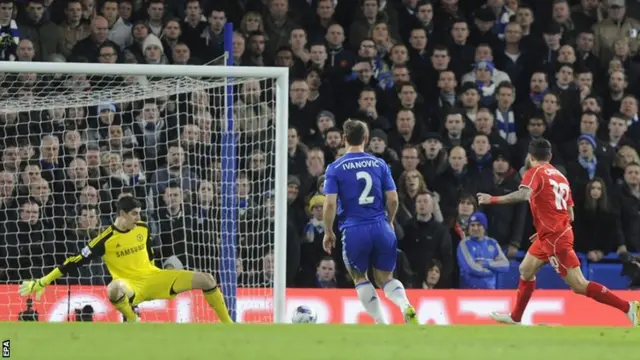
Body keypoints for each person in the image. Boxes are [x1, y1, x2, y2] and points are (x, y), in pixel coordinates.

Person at [477, 138, 639, 325]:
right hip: (553, 233)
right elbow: (570, 214)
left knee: (579, 285)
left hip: (555, 238)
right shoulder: (560, 176)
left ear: (530, 156)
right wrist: (544, 229)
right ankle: (515, 317)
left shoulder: (534, 171)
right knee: (525, 269)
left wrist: (492, 200)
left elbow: (524, 194)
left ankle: (628, 307)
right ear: (550, 156)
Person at [18, 197, 233, 323]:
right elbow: (73, 262)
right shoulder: (105, 239)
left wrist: (164, 269)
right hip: (130, 287)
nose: (138, 218)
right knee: (113, 288)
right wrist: (43, 281)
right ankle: (132, 319)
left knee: (207, 279)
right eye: (134, 214)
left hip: (154, 278)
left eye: (139, 213)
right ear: (122, 214)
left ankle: (230, 326)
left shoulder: (143, 228)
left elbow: (149, 254)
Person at [322, 119, 417, 324]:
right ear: (366, 138)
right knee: (386, 278)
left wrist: (328, 231)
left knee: (360, 277)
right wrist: (389, 221)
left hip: (354, 229)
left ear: (344, 139)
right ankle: (404, 305)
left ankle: (380, 321)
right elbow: (393, 198)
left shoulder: (335, 168)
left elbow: (329, 205)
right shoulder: (379, 163)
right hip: (381, 226)